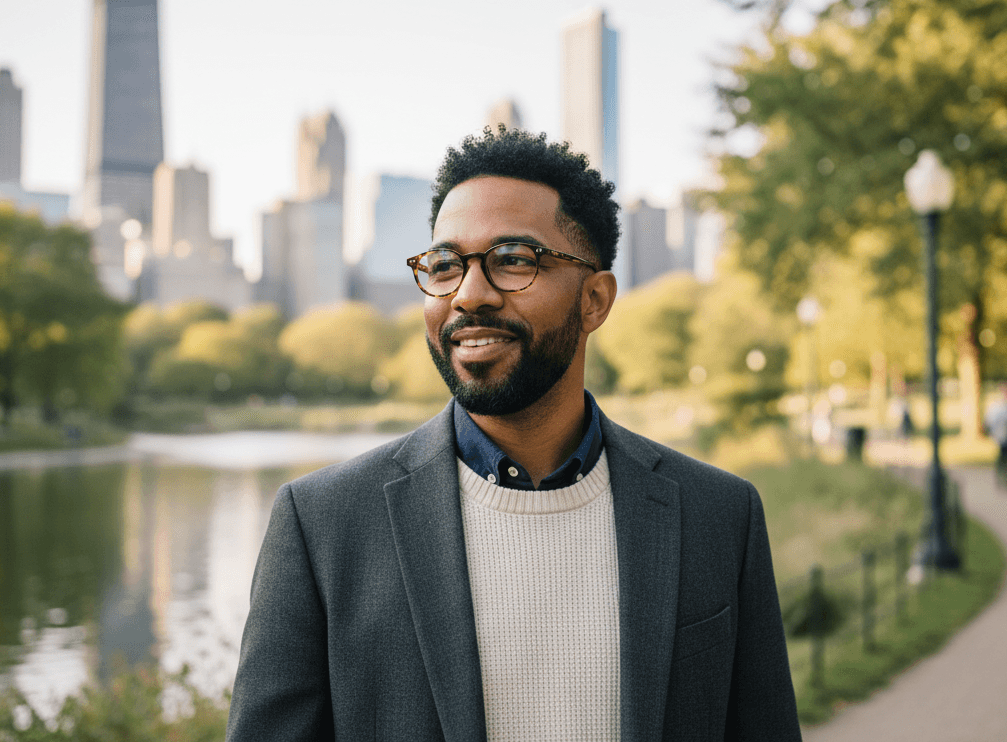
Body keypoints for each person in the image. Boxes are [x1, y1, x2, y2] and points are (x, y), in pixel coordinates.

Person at [226, 128, 801, 741]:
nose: (469, 295)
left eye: (513, 261)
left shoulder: (719, 515)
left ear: (595, 300)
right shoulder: (322, 524)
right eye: (445, 265)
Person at [984, 384, 1007, 490]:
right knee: (1002, 458)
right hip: (1000, 437)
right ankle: (1002, 479)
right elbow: (990, 422)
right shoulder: (996, 407)